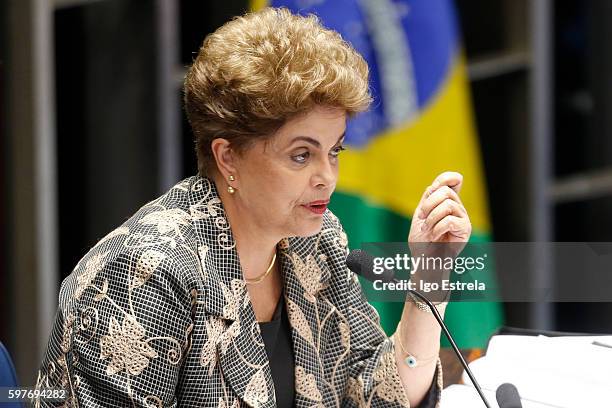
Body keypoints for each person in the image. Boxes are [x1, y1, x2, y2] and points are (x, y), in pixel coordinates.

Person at [33, 7, 471, 407]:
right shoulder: (148, 273)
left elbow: (377, 396)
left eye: (334, 151)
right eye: (302, 155)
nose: (328, 177)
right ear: (227, 157)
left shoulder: (315, 243)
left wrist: (429, 277)